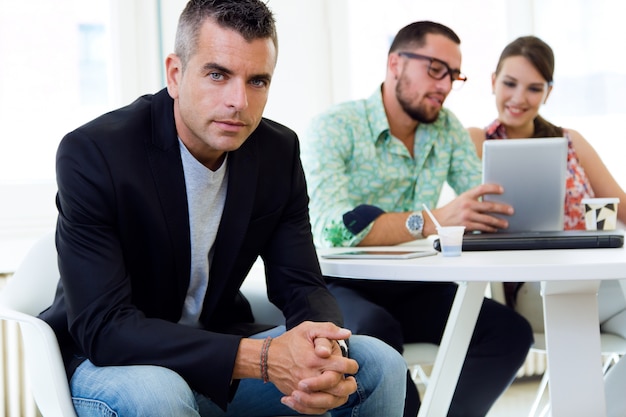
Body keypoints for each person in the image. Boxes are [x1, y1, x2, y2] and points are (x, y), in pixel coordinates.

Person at [38, 1, 408, 416]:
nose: (239, 102)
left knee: (377, 364)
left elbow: (302, 284)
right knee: (158, 394)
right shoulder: (96, 153)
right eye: (218, 75)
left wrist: (323, 347)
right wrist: (264, 358)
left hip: (217, 354)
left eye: (257, 81)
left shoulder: (277, 152)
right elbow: (106, 328)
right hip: (111, 364)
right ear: (175, 75)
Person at [301, 20, 534, 417]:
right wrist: (431, 221)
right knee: (376, 330)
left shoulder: (445, 129)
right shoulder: (336, 126)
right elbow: (331, 226)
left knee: (510, 333)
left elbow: (483, 195)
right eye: (434, 69)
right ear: (395, 64)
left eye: (453, 75)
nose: (444, 85)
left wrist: (512, 207)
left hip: (415, 284)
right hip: (342, 284)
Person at [467, 35, 626, 417]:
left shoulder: (571, 141)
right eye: (509, 83)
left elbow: (620, 205)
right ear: (492, 81)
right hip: (533, 289)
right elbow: (466, 214)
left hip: (596, 282)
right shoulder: (476, 141)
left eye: (534, 88)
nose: (519, 97)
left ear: (548, 92)